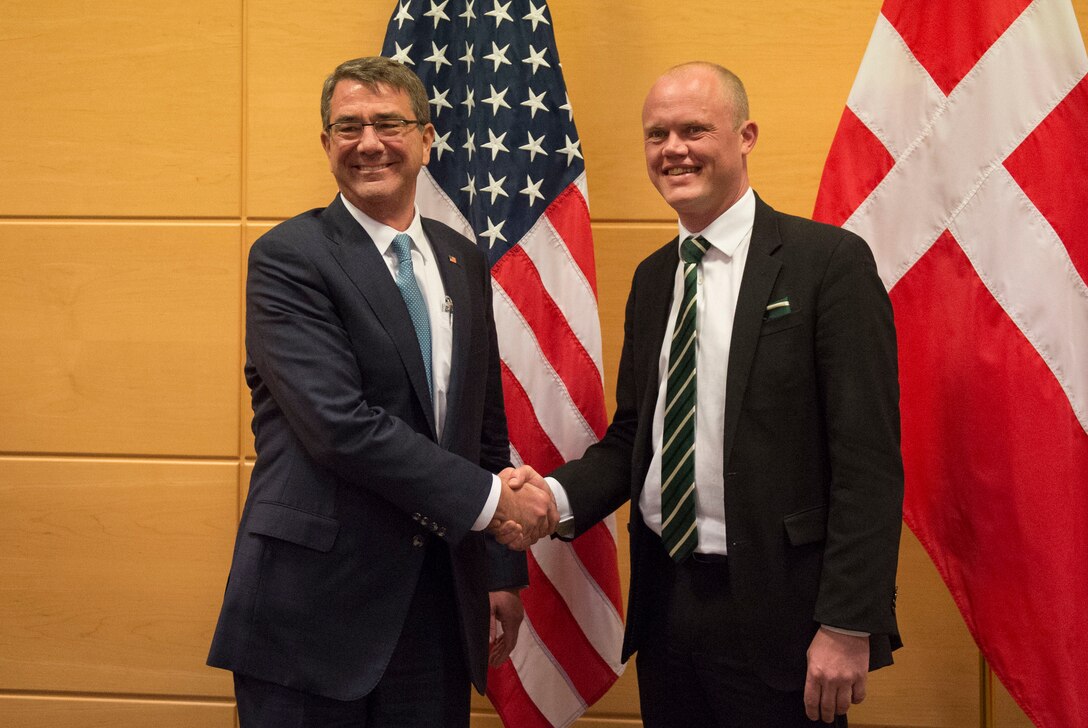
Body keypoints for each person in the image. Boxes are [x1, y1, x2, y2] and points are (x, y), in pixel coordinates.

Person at [505, 62, 903, 726]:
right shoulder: (654, 277)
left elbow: (868, 461)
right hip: (668, 608)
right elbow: (637, 437)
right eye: (657, 134)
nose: (674, 150)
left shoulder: (827, 264)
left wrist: (848, 622)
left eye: (694, 129)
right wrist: (553, 498)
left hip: (786, 619)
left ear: (745, 135)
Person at [208, 56, 556, 728]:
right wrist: (493, 506)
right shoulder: (290, 257)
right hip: (312, 615)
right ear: (326, 143)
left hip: (434, 613)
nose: (369, 143)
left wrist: (499, 571)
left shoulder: (463, 259)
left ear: (428, 138)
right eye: (349, 127)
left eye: (389, 124)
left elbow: (481, 428)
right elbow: (339, 425)